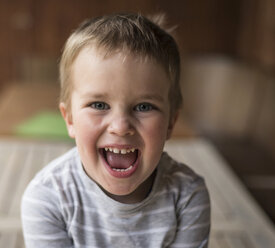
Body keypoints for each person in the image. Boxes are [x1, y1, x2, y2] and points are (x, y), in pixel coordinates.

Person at [21, 13, 210, 247]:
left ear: (171, 122)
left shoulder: (188, 196)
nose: (121, 127)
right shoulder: (46, 198)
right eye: (99, 105)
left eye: (143, 106)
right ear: (69, 119)